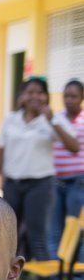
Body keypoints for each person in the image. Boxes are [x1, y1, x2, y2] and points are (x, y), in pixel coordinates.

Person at [0, 76, 80, 261]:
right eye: (30, 92)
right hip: (13, 184)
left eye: (40, 92)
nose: (35, 96)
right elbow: (0, 154)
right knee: (7, 235)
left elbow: (74, 147)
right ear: (22, 96)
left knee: (38, 237)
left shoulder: (53, 120)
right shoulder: (11, 119)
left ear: (46, 97)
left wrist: (52, 121)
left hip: (40, 186)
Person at [49, 79, 84, 263]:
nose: (69, 100)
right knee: (55, 230)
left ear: (82, 98)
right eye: (66, 96)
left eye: (74, 96)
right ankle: (56, 276)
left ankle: (78, 275)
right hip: (56, 182)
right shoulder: (57, 118)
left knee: (77, 229)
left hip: (78, 182)